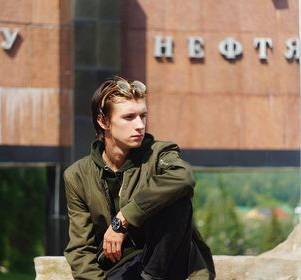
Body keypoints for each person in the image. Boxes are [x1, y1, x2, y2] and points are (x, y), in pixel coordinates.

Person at [63, 76, 215, 280]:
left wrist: (124, 218)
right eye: (129, 117)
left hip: (166, 264)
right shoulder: (77, 176)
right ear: (103, 121)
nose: (140, 125)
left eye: (143, 116)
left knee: (178, 199)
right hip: (120, 269)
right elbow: (81, 249)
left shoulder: (160, 153)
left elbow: (184, 178)